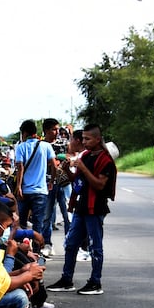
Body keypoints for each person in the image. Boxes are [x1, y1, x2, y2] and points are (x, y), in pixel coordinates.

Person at [44, 124, 117, 296]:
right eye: (83, 138)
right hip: (81, 207)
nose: (84, 142)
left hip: (95, 207)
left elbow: (99, 185)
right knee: (71, 244)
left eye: (87, 139)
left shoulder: (105, 160)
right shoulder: (85, 155)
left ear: (98, 140)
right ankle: (66, 279)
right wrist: (66, 170)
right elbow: (77, 182)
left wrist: (82, 168)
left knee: (95, 247)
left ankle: (95, 282)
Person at [13, 119, 56, 250]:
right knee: (38, 224)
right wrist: (51, 181)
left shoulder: (21, 147)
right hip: (41, 192)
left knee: (22, 223)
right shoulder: (46, 146)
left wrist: (18, 187)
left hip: (25, 191)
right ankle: (37, 252)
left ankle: (23, 251)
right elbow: (54, 165)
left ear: (24, 133)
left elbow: (20, 168)